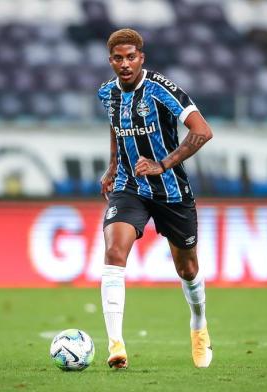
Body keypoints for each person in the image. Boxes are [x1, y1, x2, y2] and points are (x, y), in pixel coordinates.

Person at [97, 28, 213, 369]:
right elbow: (116, 127)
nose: (125, 63)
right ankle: (115, 345)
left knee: (187, 268)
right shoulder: (108, 94)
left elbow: (203, 131)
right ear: (111, 61)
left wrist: (163, 164)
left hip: (171, 191)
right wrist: (113, 166)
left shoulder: (162, 90)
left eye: (131, 56)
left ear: (141, 58)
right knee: (114, 250)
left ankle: (199, 324)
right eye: (118, 58)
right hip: (129, 186)